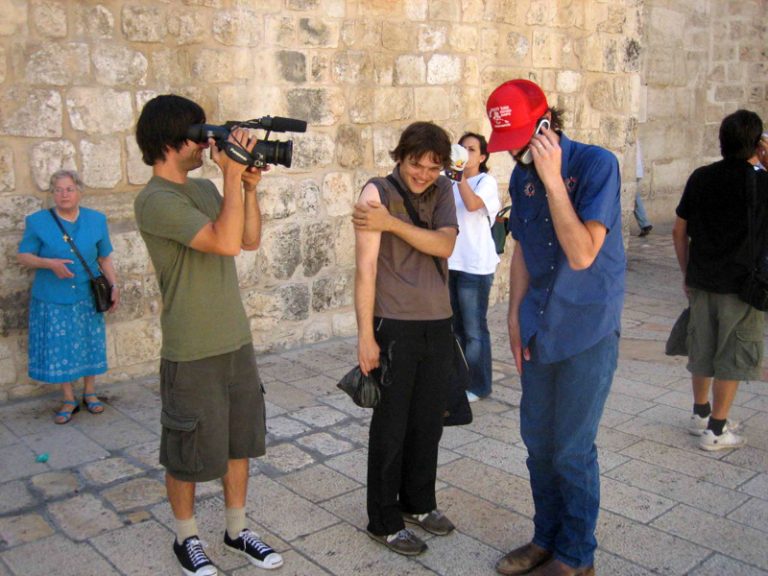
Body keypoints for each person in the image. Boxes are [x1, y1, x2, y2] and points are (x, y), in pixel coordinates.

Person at [134, 95, 282, 576]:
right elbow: (221, 241)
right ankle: (186, 538)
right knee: (187, 451)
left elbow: (247, 239)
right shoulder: (155, 200)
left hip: (234, 340)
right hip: (191, 347)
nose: (205, 142)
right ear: (172, 140)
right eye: (196, 133)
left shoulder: (201, 191)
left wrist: (249, 187)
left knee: (239, 443)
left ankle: (236, 530)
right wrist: (231, 175)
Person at [487, 79, 625, 576]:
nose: (519, 153)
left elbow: (584, 252)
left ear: (548, 125)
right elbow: (522, 246)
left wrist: (552, 181)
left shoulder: (596, 165)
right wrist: (512, 315)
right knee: (537, 444)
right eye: (513, 145)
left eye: (525, 140)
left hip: (586, 327)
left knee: (571, 448)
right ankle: (546, 537)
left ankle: (576, 555)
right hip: (539, 327)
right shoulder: (520, 179)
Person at [352, 121, 459, 556]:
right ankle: (383, 519)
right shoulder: (375, 194)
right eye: (417, 164)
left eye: (434, 167)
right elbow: (365, 270)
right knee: (391, 426)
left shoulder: (444, 191)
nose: (423, 174)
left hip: (438, 321)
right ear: (401, 156)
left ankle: (418, 501)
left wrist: (393, 225)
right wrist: (365, 336)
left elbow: (445, 246)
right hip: (394, 323)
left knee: (428, 424)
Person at [673, 110, 768, 451]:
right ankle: (716, 430)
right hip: (742, 286)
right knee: (732, 354)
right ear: (757, 144)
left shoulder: (701, 177)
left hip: (701, 279)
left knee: (703, 347)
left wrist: (686, 272)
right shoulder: (760, 181)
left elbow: (679, 228)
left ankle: (701, 413)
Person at [17, 169, 119, 424]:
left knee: (89, 342)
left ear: (79, 192)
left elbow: (104, 257)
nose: (64, 194)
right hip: (53, 296)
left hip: (88, 294)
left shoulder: (96, 220)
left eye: (69, 189)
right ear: (53, 193)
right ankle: (68, 398)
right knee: (60, 346)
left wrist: (114, 285)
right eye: (59, 190)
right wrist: (48, 263)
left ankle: (90, 393)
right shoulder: (37, 221)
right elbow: (23, 255)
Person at [447, 132, 501, 401]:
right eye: (461, 148)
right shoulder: (450, 179)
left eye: (471, 149)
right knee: (454, 327)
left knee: (474, 329)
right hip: (450, 261)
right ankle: (458, 381)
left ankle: (479, 385)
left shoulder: (486, 182)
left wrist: (459, 176)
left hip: (475, 265)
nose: (466, 153)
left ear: (482, 156)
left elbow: (471, 205)